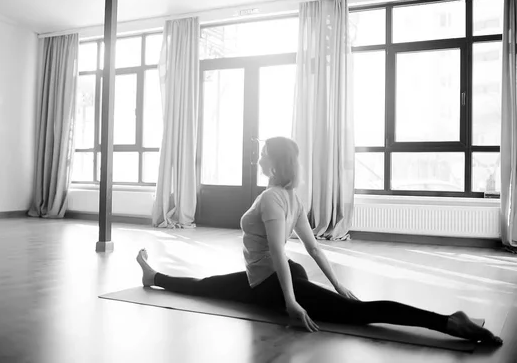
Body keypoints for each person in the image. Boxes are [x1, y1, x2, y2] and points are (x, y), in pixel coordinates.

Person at [136, 137, 503, 344]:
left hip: (275, 283)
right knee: (208, 286)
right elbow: (310, 248)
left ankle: (448, 322)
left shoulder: (272, 199)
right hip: (267, 279)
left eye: (263, 153)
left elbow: (284, 251)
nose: (258, 157)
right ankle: (153, 277)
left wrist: (293, 303)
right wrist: (336, 284)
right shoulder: (290, 197)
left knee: (362, 315)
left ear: (274, 163)